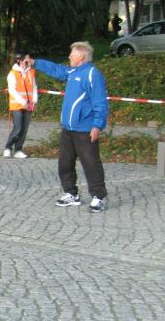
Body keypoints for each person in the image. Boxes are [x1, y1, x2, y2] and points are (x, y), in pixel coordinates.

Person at [24, 42, 108, 212]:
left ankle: (98, 197)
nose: (69, 56)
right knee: (65, 164)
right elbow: (57, 69)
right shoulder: (72, 72)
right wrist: (35, 62)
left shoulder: (92, 74)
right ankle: (71, 193)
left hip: (85, 129)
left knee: (91, 164)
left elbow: (100, 102)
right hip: (68, 129)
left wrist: (97, 126)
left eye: (72, 54)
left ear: (81, 56)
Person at [3, 52, 38, 159]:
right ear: (19, 60)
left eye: (29, 59)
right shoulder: (12, 74)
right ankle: (8, 148)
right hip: (17, 105)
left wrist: (34, 100)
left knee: (24, 129)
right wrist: (23, 102)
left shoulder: (31, 72)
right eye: (26, 59)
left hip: (29, 105)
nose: (28, 61)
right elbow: (12, 90)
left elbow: (34, 87)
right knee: (17, 128)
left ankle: (18, 150)